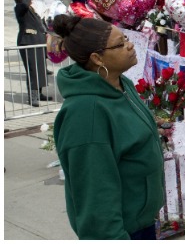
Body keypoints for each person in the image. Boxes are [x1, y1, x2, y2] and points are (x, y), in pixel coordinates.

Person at [51, 15, 164, 239]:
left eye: (126, 38)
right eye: (120, 44)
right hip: (122, 232)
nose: (130, 45)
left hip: (143, 223)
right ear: (97, 59)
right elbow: (95, 198)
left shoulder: (122, 85)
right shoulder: (86, 113)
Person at [14, 0, 51, 107]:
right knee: (33, 70)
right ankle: (33, 96)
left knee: (40, 69)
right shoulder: (20, 7)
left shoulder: (32, 9)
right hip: (28, 41)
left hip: (38, 41)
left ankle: (39, 93)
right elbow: (24, 4)